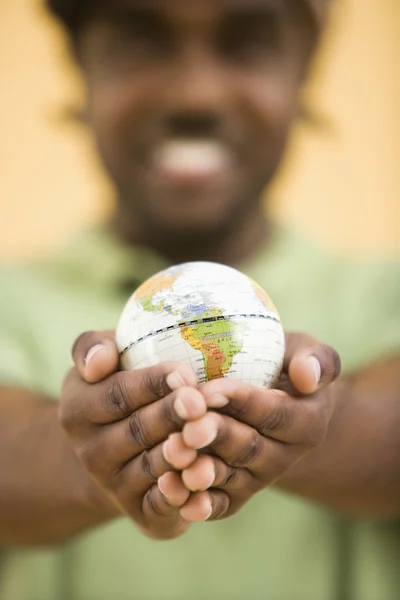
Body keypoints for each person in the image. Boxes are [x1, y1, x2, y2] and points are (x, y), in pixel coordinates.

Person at [0, 1, 399, 599]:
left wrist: (307, 420)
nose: (196, 94)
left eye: (248, 42)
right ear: (81, 72)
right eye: (141, 41)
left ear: (304, 74)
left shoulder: (385, 294)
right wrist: (99, 458)